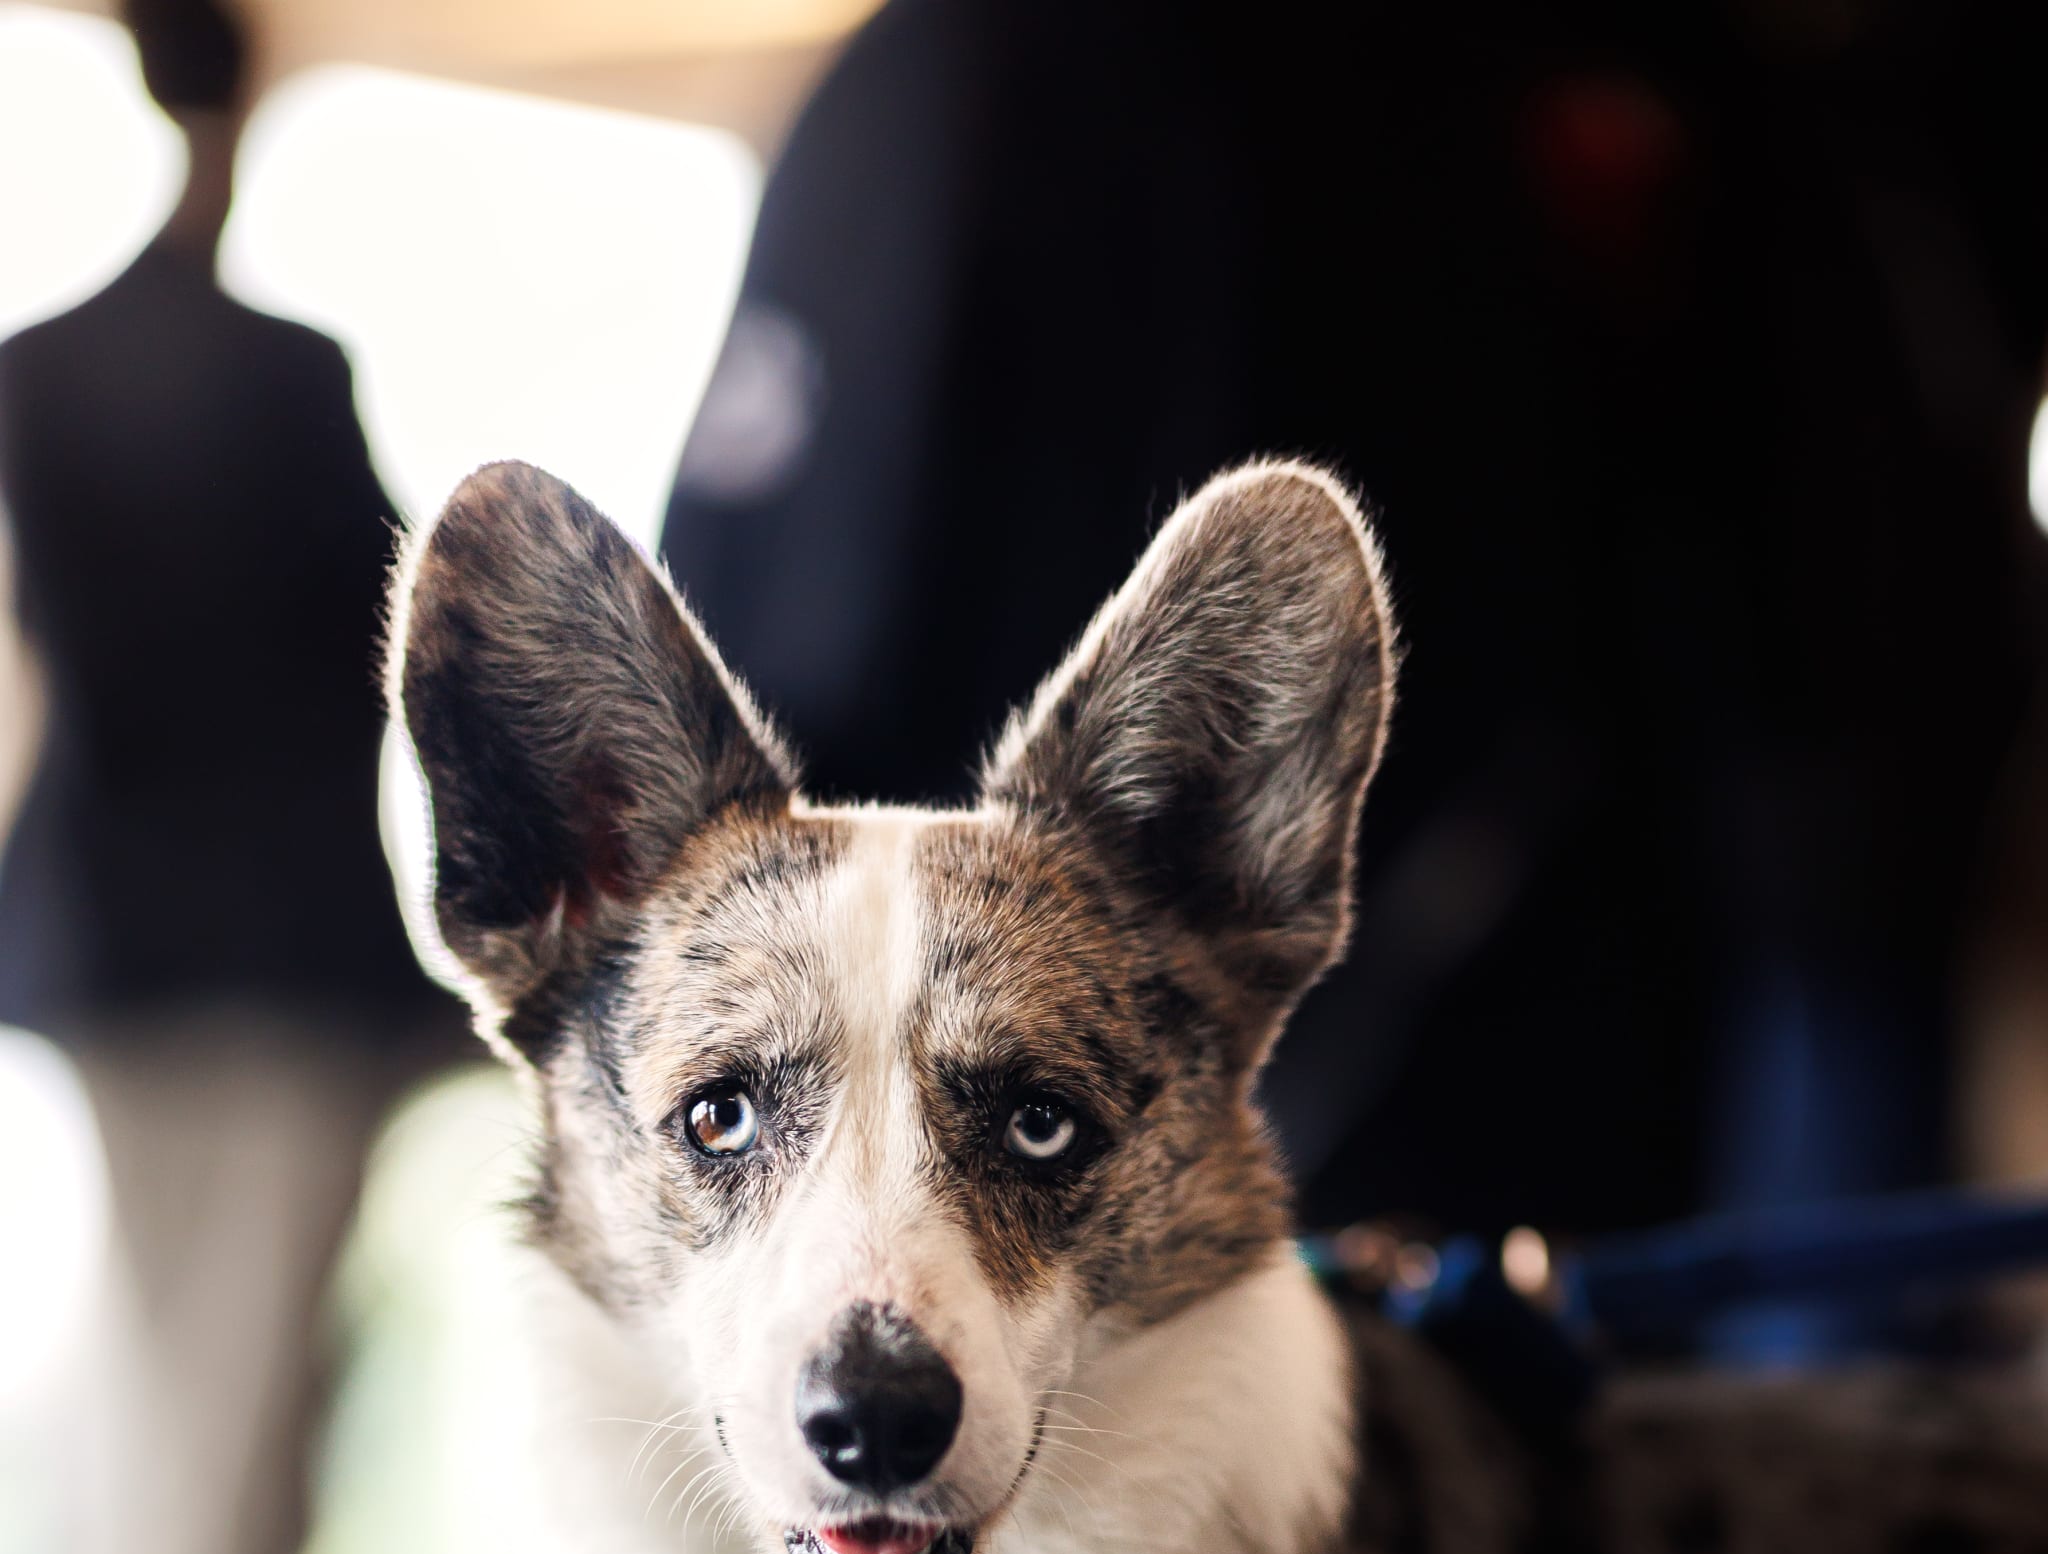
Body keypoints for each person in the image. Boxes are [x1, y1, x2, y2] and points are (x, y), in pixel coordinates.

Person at [662, 0, 2048, 1273]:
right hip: (1174, 1137)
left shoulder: (1742, 89)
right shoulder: (1007, 64)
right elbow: (790, 701)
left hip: (1679, 1041)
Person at [0, 0, 453, 1554]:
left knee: (176, 1447)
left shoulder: (40, 371)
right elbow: (397, 665)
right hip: (268, 967)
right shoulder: (285, 378)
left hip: (105, 953)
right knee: (216, 1467)